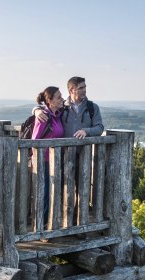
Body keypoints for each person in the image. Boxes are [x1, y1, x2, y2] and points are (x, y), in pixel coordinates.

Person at [31, 86, 65, 221]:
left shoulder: (57, 115)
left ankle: (49, 220)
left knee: (52, 191)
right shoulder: (43, 117)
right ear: (50, 101)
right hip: (44, 161)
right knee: (45, 192)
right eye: (59, 97)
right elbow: (34, 140)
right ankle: (42, 223)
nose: (62, 99)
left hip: (54, 161)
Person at [34, 76, 103, 138]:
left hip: (85, 151)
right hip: (64, 151)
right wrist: (36, 111)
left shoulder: (92, 107)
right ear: (71, 90)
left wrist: (86, 131)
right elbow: (48, 107)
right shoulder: (62, 106)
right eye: (81, 88)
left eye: (85, 87)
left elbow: (99, 128)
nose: (84, 90)